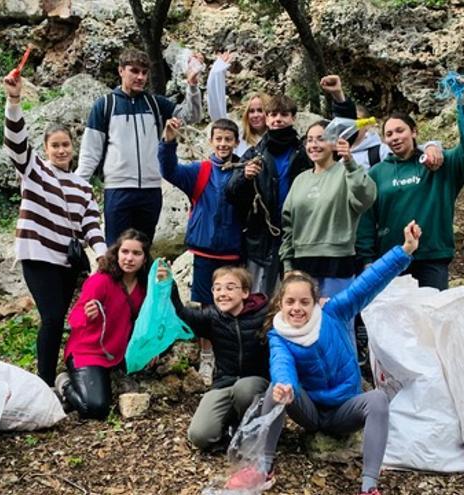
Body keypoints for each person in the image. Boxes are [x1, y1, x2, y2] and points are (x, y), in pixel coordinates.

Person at [224, 222, 422, 495]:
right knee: (277, 387)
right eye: (290, 302)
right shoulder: (279, 335)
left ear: (315, 302)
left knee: (377, 398)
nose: (297, 308)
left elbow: (367, 284)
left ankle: (369, 486)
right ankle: (263, 467)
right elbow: (281, 364)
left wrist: (404, 251)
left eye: (304, 302)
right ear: (281, 304)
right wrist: (284, 385)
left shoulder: (335, 313)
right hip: (311, 412)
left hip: (345, 410)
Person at [2, 69, 107, 386]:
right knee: (50, 318)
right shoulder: (34, 171)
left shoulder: (82, 186)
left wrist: (102, 254)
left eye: (66, 145)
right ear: (46, 148)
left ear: (73, 148)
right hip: (37, 255)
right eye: (55, 146)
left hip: (67, 261)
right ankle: (44, 382)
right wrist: (14, 100)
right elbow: (16, 143)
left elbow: (91, 222)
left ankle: (64, 371)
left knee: (62, 319)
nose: (61, 151)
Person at [226, 75, 356, 296]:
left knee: (299, 298)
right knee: (261, 302)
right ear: (266, 119)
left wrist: (338, 97)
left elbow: (343, 133)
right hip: (263, 241)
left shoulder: (306, 150)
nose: (278, 119)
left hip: (303, 236)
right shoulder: (253, 154)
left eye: (284, 115)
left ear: (293, 118)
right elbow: (231, 195)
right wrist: (244, 178)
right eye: (273, 115)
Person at [356, 86, 464, 290]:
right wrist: (367, 260)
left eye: (400, 131)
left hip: (432, 257)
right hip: (391, 259)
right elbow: (366, 220)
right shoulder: (377, 174)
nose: (395, 137)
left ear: (414, 132)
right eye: (389, 134)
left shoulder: (441, 166)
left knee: (431, 320)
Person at [75, 48, 203, 245]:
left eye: (144, 72)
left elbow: (191, 116)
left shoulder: (155, 104)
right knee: (116, 253)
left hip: (150, 192)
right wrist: (74, 192)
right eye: (134, 71)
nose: (140, 77)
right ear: (121, 71)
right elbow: (89, 154)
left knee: (142, 252)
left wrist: (192, 85)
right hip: (118, 190)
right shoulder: (105, 105)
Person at [159, 116, 245, 385]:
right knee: (208, 307)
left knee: (232, 306)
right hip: (206, 251)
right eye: (218, 139)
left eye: (228, 139)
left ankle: (228, 356)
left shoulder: (243, 171)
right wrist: (168, 142)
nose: (223, 144)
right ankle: (207, 357)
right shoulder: (201, 171)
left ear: (236, 142)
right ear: (210, 141)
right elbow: (169, 171)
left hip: (233, 252)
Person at [157, 265, 270, 450]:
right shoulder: (212, 317)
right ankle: (231, 432)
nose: (222, 293)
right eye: (217, 288)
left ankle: (253, 430)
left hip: (257, 385)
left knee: (245, 389)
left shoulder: (264, 315)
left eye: (230, 287)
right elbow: (183, 315)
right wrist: (170, 285)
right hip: (224, 383)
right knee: (199, 435)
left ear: (245, 292)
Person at [58, 229, 152, 420]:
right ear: (116, 253)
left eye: (136, 253)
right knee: (96, 408)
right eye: (125, 252)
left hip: (117, 353)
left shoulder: (144, 287)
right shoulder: (100, 281)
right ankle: (65, 384)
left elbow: (155, 317)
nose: (129, 258)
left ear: (145, 258)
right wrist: (86, 314)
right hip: (87, 352)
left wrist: (151, 350)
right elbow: (74, 318)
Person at [279, 120, 376, 300]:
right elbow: (288, 227)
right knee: (306, 323)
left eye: (320, 139)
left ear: (333, 142)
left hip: (338, 264)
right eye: (309, 140)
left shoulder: (347, 172)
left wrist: (349, 162)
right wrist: (287, 266)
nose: (314, 145)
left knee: (336, 322)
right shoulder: (300, 180)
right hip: (302, 264)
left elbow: (365, 198)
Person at [206, 51, 269, 157]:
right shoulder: (239, 136)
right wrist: (217, 73)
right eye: (251, 111)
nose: (255, 115)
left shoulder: (277, 138)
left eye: (260, 110)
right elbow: (218, 114)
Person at [349, 104, 443, 171]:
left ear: (368, 124)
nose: (350, 124)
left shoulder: (380, 152)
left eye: (356, 119)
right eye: (347, 120)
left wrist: (431, 147)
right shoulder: (337, 155)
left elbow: (411, 152)